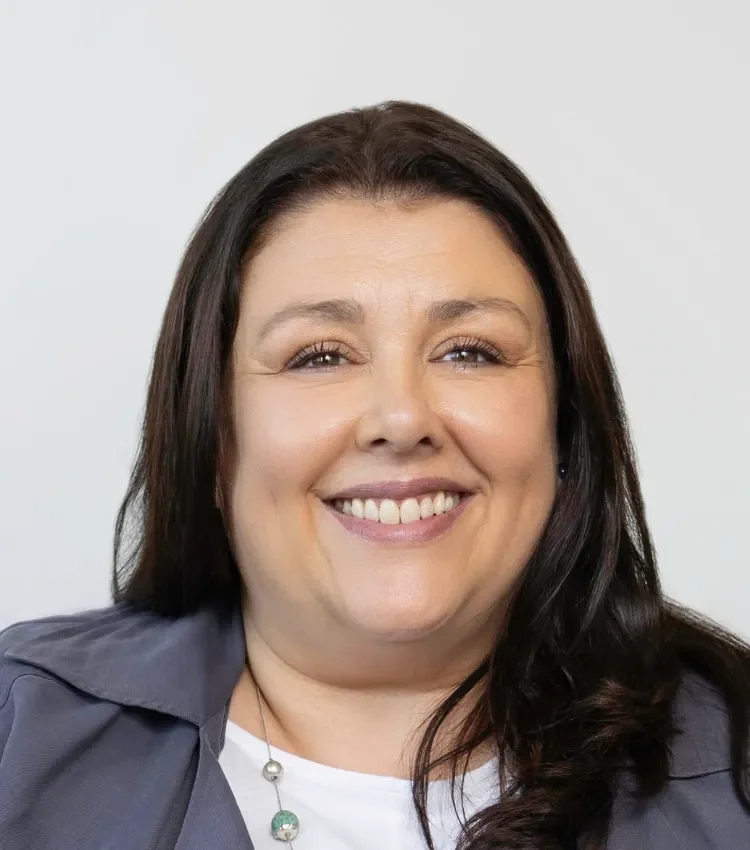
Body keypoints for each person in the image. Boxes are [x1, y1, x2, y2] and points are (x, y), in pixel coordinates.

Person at [1, 101, 748, 850]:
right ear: (212, 432)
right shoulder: (19, 738)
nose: (400, 417)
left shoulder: (734, 771)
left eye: (470, 351)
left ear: (564, 422)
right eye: (319, 355)